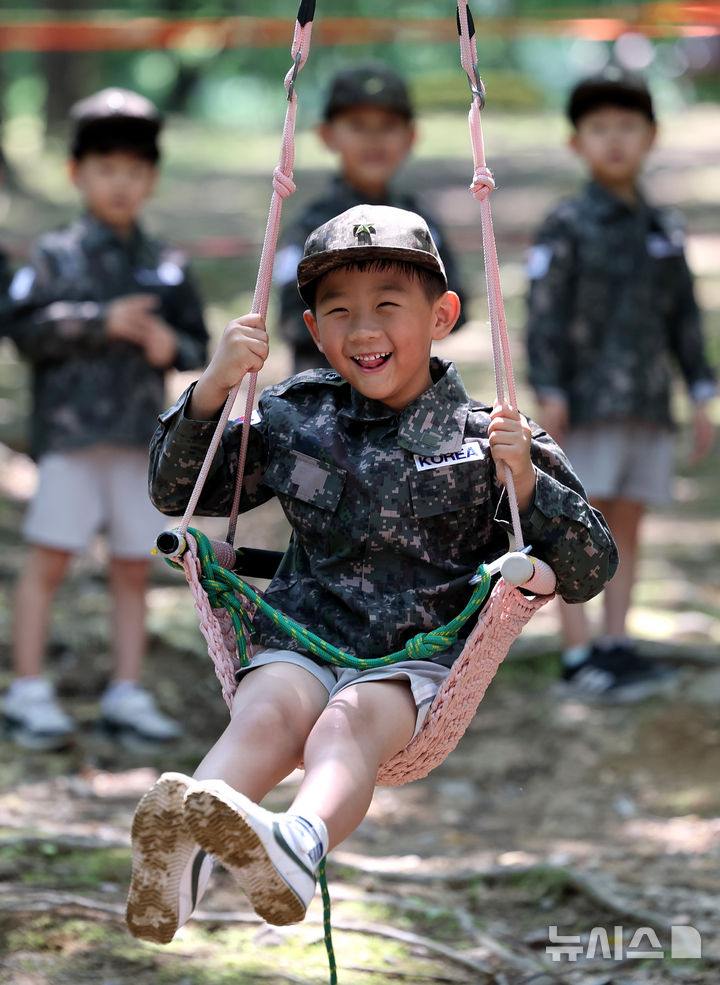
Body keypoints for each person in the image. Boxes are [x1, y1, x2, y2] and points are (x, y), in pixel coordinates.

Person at [126, 203, 617, 944]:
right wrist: (212, 388)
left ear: (441, 314)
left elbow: (589, 569)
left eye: (388, 306)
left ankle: (297, 843)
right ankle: (180, 852)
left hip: (411, 665)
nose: (362, 330)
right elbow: (176, 491)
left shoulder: (489, 438)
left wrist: (525, 483)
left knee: (345, 723)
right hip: (301, 635)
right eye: (339, 312)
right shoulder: (294, 417)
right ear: (314, 329)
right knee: (266, 712)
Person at [2, 88, 209, 750]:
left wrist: (168, 344)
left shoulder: (165, 264)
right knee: (49, 558)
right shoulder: (54, 257)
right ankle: (27, 689)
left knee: (131, 565)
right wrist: (100, 321)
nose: (120, 183)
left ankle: (127, 690)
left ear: (152, 177)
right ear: (77, 173)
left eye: (134, 170)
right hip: (72, 438)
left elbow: (197, 343)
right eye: (105, 168)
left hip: (138, 441)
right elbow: (22, 328)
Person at [525, 68, 716, 701]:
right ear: (576, 142)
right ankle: (578, 653)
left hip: (647, 403)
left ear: (651, 136)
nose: (614, 140)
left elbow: (684, 317)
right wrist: (549, 386)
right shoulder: (567, 224)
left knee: (627, 523)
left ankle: (616, 642)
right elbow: (544, 313)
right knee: (577, 525)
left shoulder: (661, 227)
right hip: (585, 404)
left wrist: (701, 390)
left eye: (627, 127)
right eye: (599, 127)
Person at [274, 61, 466, 372]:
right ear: (326, 135)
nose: (374, 139)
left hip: (404, 390)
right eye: (358, 125)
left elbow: (457, 306)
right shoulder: (310, 229)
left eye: (388, 125)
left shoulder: (422, 223)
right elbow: (291, 320)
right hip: (325, 391)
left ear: (411, 136)